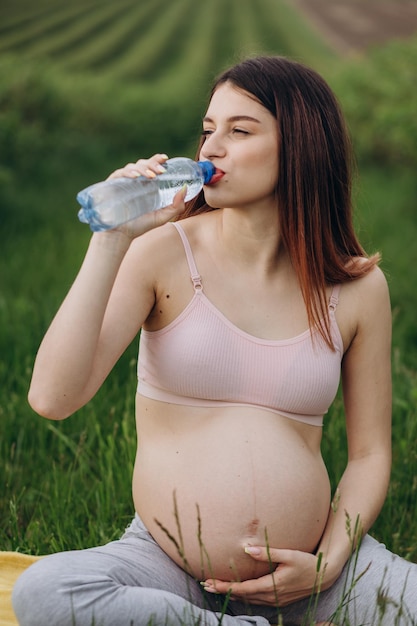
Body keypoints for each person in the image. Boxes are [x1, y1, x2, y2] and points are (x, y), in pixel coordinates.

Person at [12, 56, 416, 626]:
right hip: (166, 563)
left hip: (312, 572)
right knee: (47, 592)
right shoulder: (163, 253)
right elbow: (52, 398)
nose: (210, 149)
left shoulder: (355, 286)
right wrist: (112, 240)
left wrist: (327, 564)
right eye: (207, 131)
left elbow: (371, 455)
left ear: (301, 147)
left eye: (239, 130)